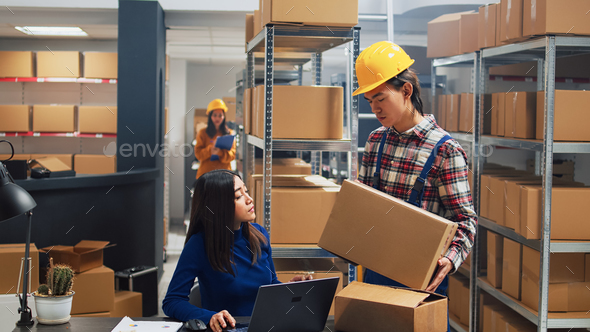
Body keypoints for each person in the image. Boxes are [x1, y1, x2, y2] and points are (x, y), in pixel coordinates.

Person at [354, 41, 477, 328]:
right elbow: (363, 203)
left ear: (406, 90)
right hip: (376, 272)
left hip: (421, 282)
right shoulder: (375, 141)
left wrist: (449, 259)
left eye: (380, 98)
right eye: (369, 100)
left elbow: (465, 221)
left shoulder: (446, 150)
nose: (375, 108)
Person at [162, 170, 311, 332]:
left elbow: (270, 284)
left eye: (246, 191)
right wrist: (209, 316)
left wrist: (289, 289)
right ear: (218, 205)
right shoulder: (199, 244)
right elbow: (172, 301)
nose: (249, 199)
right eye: (239, 196)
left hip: (266, 326)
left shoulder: (259, 235)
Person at [194, 99, 237, 179]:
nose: (217, 118)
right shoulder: (202, 133)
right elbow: (198, 155)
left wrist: (220, 153)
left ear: (224, 117)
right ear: (210, 116)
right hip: (206, 175)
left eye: (220, 115)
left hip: (224, 176)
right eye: (215, 115)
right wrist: (210, 149)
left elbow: (232, 155)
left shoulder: (230, 134)